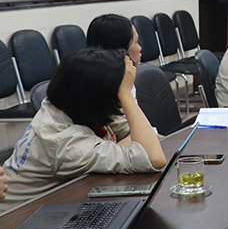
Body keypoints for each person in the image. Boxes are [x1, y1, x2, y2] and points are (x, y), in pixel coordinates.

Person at [0, 48, 166, 214]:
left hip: (54, 204)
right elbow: (153, 158)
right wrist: (126, 94)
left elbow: (141, 137)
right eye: (119, 89)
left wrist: (136, 144)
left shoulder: (75, 103)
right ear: (99, 95)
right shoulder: (64, 142)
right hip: (16, 219)